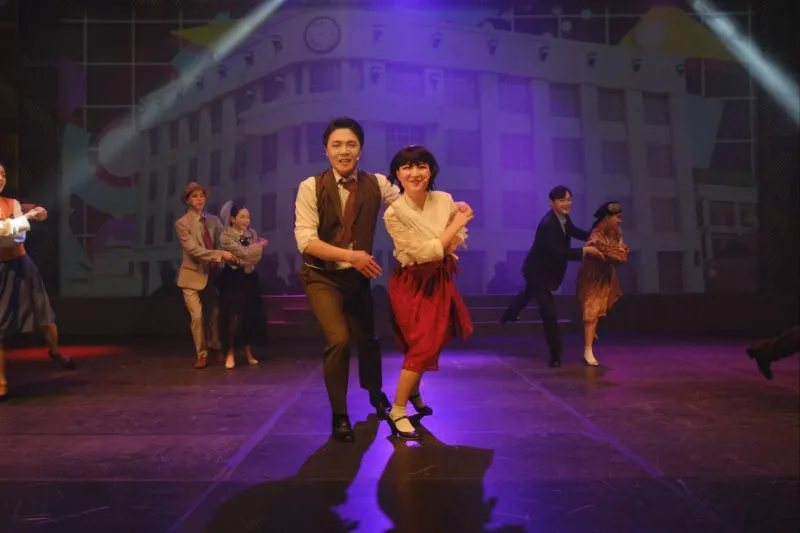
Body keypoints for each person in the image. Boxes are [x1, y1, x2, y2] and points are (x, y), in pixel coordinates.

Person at [294, 117, 400, 442]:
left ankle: (375, 392)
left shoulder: (377, 183)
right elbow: (306, 241)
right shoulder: (311, 186)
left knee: (368, 339)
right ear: (326, 150)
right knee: (339, 339)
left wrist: (449, 207)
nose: (344, 151)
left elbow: (410, 207)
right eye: (337, 145)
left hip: (356, 278)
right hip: (321, 276)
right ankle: (340, 414)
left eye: (351, 144)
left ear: (360, 149)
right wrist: (352, 256)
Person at [383, 146, 474, 440]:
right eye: (406, 167)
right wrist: (455, 225)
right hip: (412, 282)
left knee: (435, 339)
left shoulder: (444, 199)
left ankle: (413, 392)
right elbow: (423, 254)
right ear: (397, 174)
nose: (415, 173)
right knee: (421, 344)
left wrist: (449, 235)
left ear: (431, 170)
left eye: (421, 166)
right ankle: (397, 410)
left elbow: (453, 241)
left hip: (439, 279)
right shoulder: (394, 212)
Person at [500, 185, 602, 367]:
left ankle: (509, 314)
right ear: (551, 202)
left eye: (569, 200)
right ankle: (555, 355)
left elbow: (576, 232)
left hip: (541, 271)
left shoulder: (563, 218)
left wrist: (596, 233)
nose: (567, 203)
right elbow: (559, 252)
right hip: (539, 273)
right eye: (562, 200)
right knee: (549, 313)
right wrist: (586, 251)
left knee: (527, 293)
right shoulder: (548, 224)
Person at [0, 163, 75, 401]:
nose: (0, 178)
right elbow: (4, 231)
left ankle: (54, 350)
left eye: (3, 174)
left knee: (43, 310)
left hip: (21, 263)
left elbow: (18, 235)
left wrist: (31, 215)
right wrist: (27, 218)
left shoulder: (11, 203)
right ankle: (1, 381)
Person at [175, 182, 238, 369]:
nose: (199, 199)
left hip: (211, 275)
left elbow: (227, 238)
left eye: (201, 196)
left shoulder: (213, 220)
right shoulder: (182, 224)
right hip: (191, 277)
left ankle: (215, 346)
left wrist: (248, 238)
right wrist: (220, 255)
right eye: (194, 196)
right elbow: (193, 250)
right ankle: (201, 354)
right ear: (187, 200)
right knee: (197, 317)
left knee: (215, 314)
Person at [576, 201, 629, 366]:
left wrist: (613, 254)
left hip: (605, 275)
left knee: (598, 308)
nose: (619, 221)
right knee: (591, 311)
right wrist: (609, 254)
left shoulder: (617, 232)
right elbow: (598, 252)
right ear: (607, 217)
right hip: (592, 276)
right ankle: (588, 349)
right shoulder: (596, 234)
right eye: (617, 217)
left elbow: (621, 253)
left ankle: (591, 337)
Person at [217, 201, 268, 369]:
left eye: (248, 217)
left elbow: (254, 257)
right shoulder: (226, 235)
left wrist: (244, 258)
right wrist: (259, 246)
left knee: (250, 314)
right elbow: (242, 253)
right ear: (233, 218)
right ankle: (230, 352)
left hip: (250, 277)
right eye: (242, 217)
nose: (246, 220)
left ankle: (248, 351)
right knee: (233, 315)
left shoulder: (252, 233)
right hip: (233, 278)